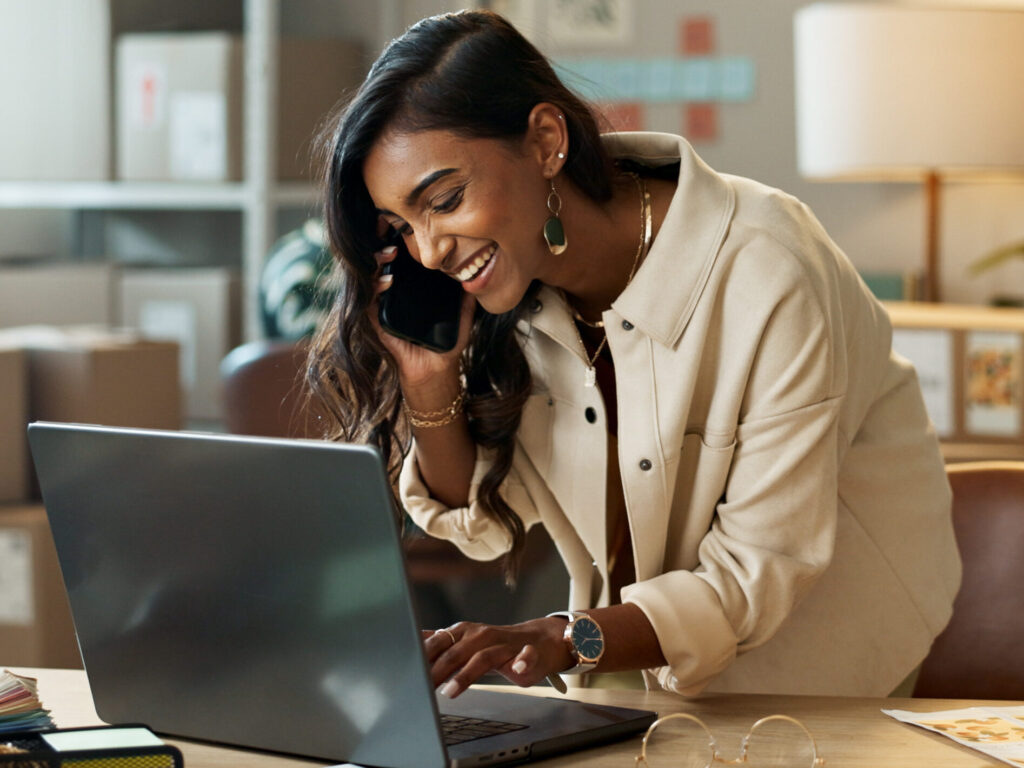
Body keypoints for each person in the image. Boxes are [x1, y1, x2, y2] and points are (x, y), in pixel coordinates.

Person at [305, 9, 961, 699]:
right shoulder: (516, 294)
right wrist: (428, 381)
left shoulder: (767, 268)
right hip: (633, 679)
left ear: (546, 141)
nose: (430, 250)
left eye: (445, 199)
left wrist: (559, 638)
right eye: (404, 226)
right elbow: (484, 530)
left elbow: (755, 573)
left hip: (821, 677)